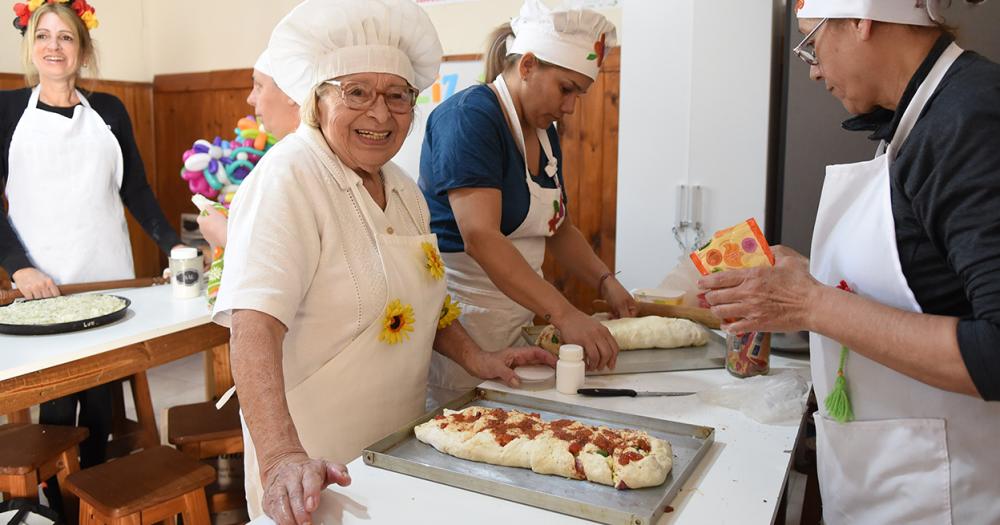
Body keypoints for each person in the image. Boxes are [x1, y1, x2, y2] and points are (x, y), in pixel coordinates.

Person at [211, 1, 555, 523]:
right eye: (357, 93)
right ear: (319, 98)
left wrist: (478, 359)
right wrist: (281, 456)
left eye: (398, 96)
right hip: (315, 465)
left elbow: (426, 300)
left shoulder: (403, 188)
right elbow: (252, 324)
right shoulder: (288, 178)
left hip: (396, 448)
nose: (380, 113)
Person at [699, 1, 1000, 523]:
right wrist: (806, 279)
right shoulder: (912, 122)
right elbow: (925, 279)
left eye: (812, 42)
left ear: (860, 19)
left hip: (952, 494)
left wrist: (811, 304)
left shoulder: (970, 117)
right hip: (894, 479)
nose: (813, 68)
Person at [0, 0, 185, 514]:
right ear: (30, 46)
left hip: (109, 276)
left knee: (103, 387)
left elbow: (138, 191)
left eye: (65, 37)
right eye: (44, 36)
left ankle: (98, 495)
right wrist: (19, 265)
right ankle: (61, 503)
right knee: (59, 396)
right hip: (44, 285)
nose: (53, 47)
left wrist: (173, 244)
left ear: (83, 50)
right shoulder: (7, 110)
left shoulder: (109, 111)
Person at [419, 0, 637, 392]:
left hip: (517, 317)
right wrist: (564, 313)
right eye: (566, 89)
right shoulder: (470, 117)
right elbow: (480, 237)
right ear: (528, 65)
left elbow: (558, 227)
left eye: (579, 95)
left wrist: (605, 281)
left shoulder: (542, 132)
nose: (569, 107)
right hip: (465, 326)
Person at [196, 48, 300, 248]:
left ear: (291, 92)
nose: (250, 98)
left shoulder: (287, 162)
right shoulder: (285, 155)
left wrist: (222, 233)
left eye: (259, 86)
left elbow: (276, 255)